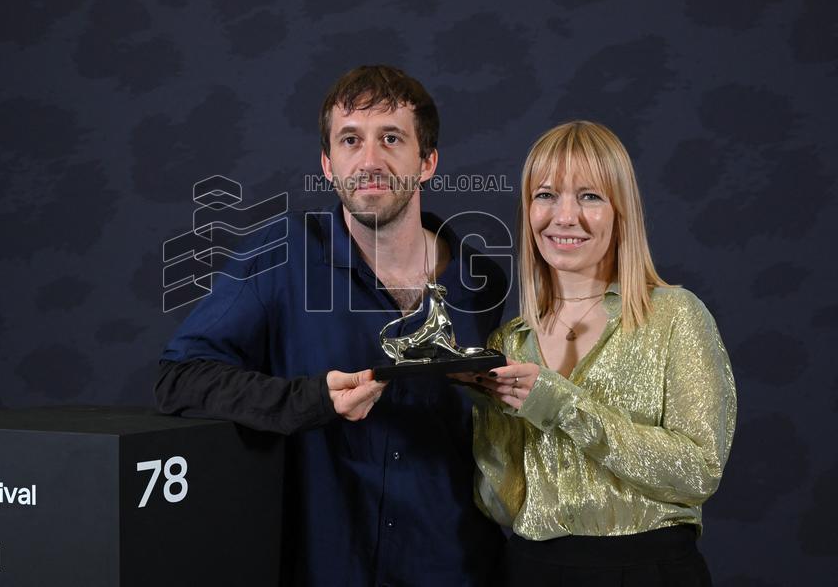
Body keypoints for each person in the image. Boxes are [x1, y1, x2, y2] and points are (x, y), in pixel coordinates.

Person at [156, 65, 508, 586]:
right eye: (350, 140)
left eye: (391, 138)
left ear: (428, 161)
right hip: (326, 567)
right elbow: (178, 379)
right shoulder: (280, 257)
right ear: (327, 163)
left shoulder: (480, 280)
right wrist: (311, 400)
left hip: (454, 568)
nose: (369, 160)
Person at [465, 120, 736, 586]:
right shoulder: (508, 341)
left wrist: (561, 403)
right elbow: (500, 503)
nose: (564, 216)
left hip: (650, 571)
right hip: (533, 571)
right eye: (545, 195)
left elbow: (698, 473)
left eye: (589, 196)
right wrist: (487, 407)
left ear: (620, 211)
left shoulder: (674, 316)